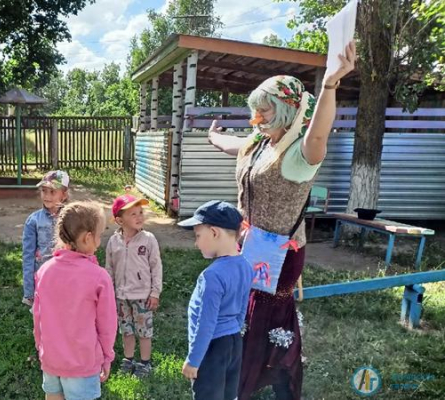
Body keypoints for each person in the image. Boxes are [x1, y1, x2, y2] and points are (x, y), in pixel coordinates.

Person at [206, 42, 357, 400]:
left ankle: (254, 383)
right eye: (255, 112)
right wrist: (213, 136)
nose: (257, 119)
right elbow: (233, 145)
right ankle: (253, 380)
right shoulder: (260, 144)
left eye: (265, 112)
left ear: (286, 111)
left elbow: (318, 133)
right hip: (251, 246)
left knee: (261, 321)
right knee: (247, 316)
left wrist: (330, 84)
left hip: (281, 256)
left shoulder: (300, 154)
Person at [34, 202, 117, 400]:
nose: (98, 242)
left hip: (51, 360)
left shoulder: (44, 271)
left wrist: (41, 349)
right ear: (88, 238)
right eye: (99, 236)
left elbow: (38, 317)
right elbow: (107, 325)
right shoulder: (99, 277)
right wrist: (107, 357)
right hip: (82, 363)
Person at [178, 200, 253, 400]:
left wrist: (194, 360)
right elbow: (242, 309)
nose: (196, 243)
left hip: (211, 348)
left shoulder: (212, 276)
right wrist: (234, 334)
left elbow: (206, 323)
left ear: (214, 233)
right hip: (234, 343)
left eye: (198, 236)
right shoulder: (245, 266)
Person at [105, 192, 163, 377]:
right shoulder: (113, 242)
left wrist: (155, 293)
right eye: (133, 213)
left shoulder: (148, 239)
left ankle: (145, 362)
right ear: (119, 221)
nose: (139, 217)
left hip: (142, 296)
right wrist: (108, 293)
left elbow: (156, 267)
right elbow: (109, 268)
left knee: (144, 331)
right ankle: (128, 359)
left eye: (141, 212)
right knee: (126, 330)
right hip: (121, 297)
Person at [21, 170, 70, 307]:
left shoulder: (71, 218)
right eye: (44, 191)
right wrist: (29, 289)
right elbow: (28, 256)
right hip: (43, 278)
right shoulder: (34, 221)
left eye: (52, 192)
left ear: (64, 195)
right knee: (44, 317)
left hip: (66, 278)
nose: (47, 196)